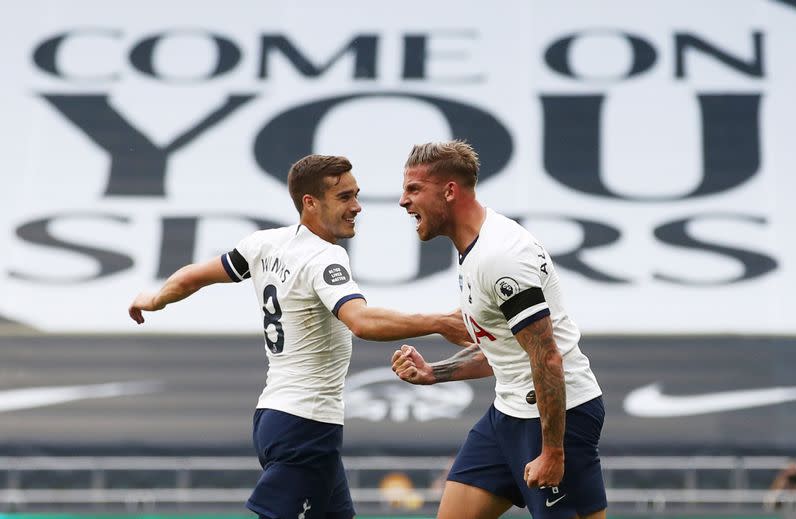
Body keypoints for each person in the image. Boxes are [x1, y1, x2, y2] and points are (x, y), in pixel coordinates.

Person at [128, 154, 468, 519]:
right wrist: (439, 322)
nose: (356, 207)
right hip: (306, 425)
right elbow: (362, 321)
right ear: (310, 202)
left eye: (356, 195)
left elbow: (193, 276)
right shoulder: (324, 259)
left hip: (279, 416)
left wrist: (155, 298)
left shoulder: (265, 244)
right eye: (344, 198)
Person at [391, 140, 606, 519]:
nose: (403, 201)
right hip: (506, 414)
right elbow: (505, 352)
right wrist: (433, 372)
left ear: (450, 191)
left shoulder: (501, 257)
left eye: (413, 189)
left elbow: (546, 356)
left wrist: (553, 452)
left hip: (557, 420)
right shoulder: (475, 249)